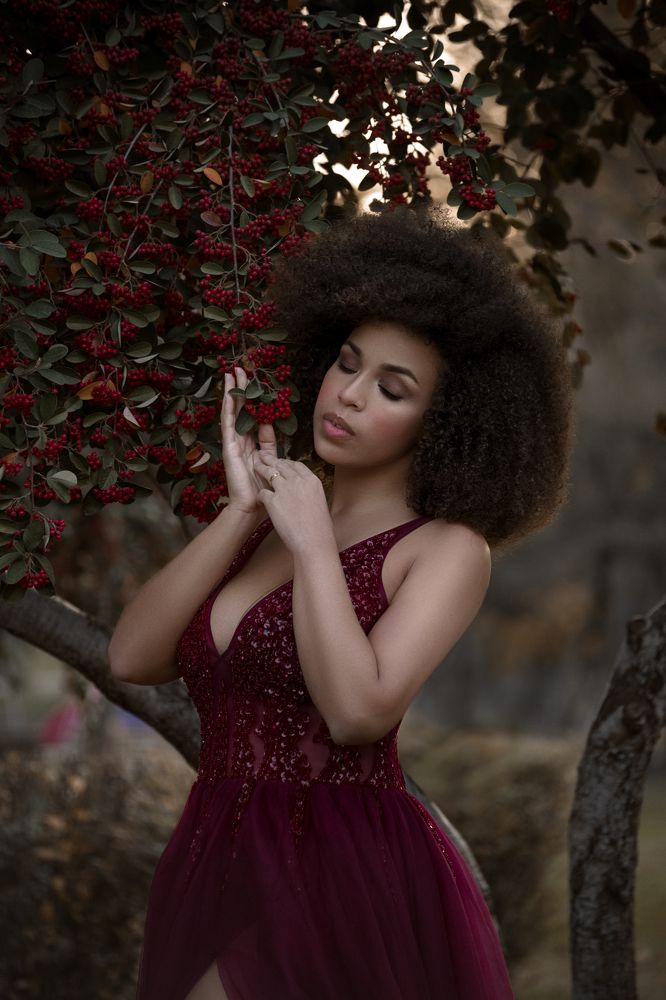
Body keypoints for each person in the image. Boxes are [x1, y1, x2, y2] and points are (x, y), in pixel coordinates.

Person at [109, 203, 574, 999]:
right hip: (210, 859)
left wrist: (317, 545)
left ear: (445, 421)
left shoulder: (446, 548)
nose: (349, 396)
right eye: (347, 363)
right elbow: (130, 658)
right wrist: (241, 512)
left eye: (391, 388)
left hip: (340, 875)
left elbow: (359, 713)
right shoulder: (271, 521)